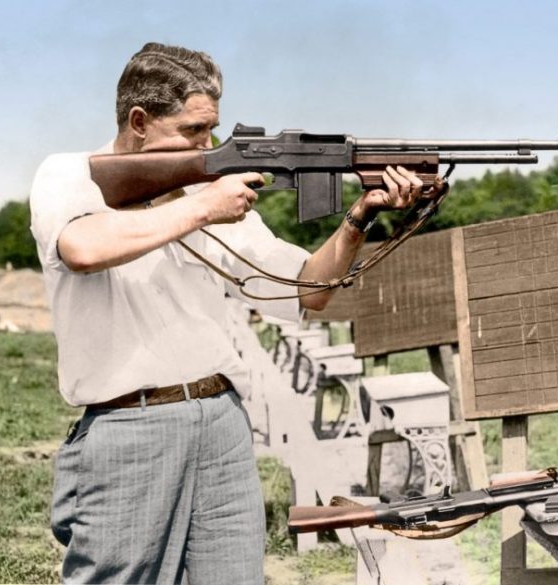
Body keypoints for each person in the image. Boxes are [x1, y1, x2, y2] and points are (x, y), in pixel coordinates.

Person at [30, 42, 440, 585]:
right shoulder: (70, 176)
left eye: (213, 130)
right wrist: (203, 205)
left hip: (221, 421)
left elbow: (305, 291)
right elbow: (83, 248)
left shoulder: (208, 196)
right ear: (139, 121)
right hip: (130, 426)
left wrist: (359, 218)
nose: (208, 146)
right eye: (194, 131)